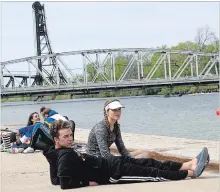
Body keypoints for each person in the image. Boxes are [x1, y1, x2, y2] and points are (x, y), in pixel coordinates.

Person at [43, 119, 210, 190]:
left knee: (149, 162)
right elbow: (64, 184)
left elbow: (54, 180)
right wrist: (86, 182)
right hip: (112, 174)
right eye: (66, 136)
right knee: (152, 174)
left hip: (111, 163)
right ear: (56, 139)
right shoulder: (64, 155)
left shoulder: (56, 152)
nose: (70, 139)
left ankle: (189, 163)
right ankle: (189, 173)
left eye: (71, 135)